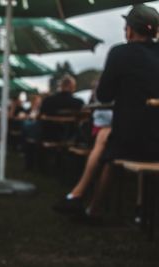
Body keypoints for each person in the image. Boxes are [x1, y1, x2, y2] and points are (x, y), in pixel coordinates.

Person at [58, 4, 159, 221]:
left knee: (108, 143)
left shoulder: (120, 52)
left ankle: (86, 203)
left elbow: (103, 96)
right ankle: (139, 209)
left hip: (131, 141)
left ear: (130, 30)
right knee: (112, 140)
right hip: (156, 142)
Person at [39, 74, 84, 141]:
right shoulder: (78, 103)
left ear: (60, 86)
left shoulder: (47, 101)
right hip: (70, 137)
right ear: (72, 87)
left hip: (49, 136)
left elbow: (40, 116)